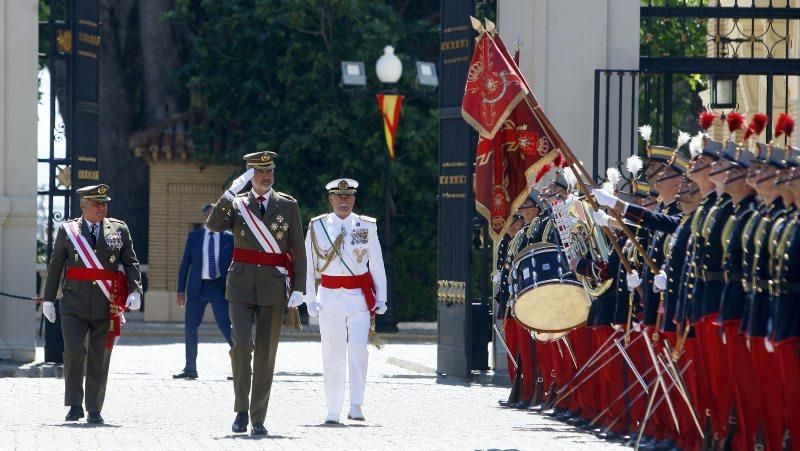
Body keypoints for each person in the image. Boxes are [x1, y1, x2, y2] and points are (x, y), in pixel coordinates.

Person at [206, 151, 306, 436]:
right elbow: (213, 225)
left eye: (269, 171)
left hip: (274, 286)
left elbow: (297, 249)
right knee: (241, 347)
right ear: (250, 175)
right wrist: (230, 192)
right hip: (240, 285)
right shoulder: (237, 205)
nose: (266, 176)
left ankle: (258, 416)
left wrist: (299, 289)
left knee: (266, 354)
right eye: (259, 172)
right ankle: (240, 410)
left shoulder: (287, 205)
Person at [41, 184, 142, 424]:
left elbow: (131, 263)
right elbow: (55, 266)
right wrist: (47, 299)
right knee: (74, 352)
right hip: (73, 305)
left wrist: (136, 290)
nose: (101, 207)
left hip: (106, 306)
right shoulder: (68, 231)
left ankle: (94, 408)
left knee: (100, 356)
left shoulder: (119, 229)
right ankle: (75, 405)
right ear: (83, 205)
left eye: (104, 203)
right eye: (96, 204)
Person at [303, 178, 387, 424]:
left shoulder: (366, 225)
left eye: (348, 197)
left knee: (359, 351)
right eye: (339, 197)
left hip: (359, 297)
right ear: (330, 199)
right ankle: (333, 408)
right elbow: (308, 265)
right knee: (332, 353)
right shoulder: (317, 225)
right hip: (329, 296)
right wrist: (309, 298)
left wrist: (381, 297)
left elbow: (377, 263)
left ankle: (356, 404)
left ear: (354, 199)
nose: (343, 201)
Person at [173, 202, 234, 380]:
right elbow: (185, 265)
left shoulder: (229, 238)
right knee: (190, 327)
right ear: (205, 218)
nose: (213, 219)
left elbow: (235, 265)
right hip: (197, 288)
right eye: (210, 216)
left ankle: (242, 366)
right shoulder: (195, 237)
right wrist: (180, 291)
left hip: (219, 288)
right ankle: (190, 368)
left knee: (226, 326)